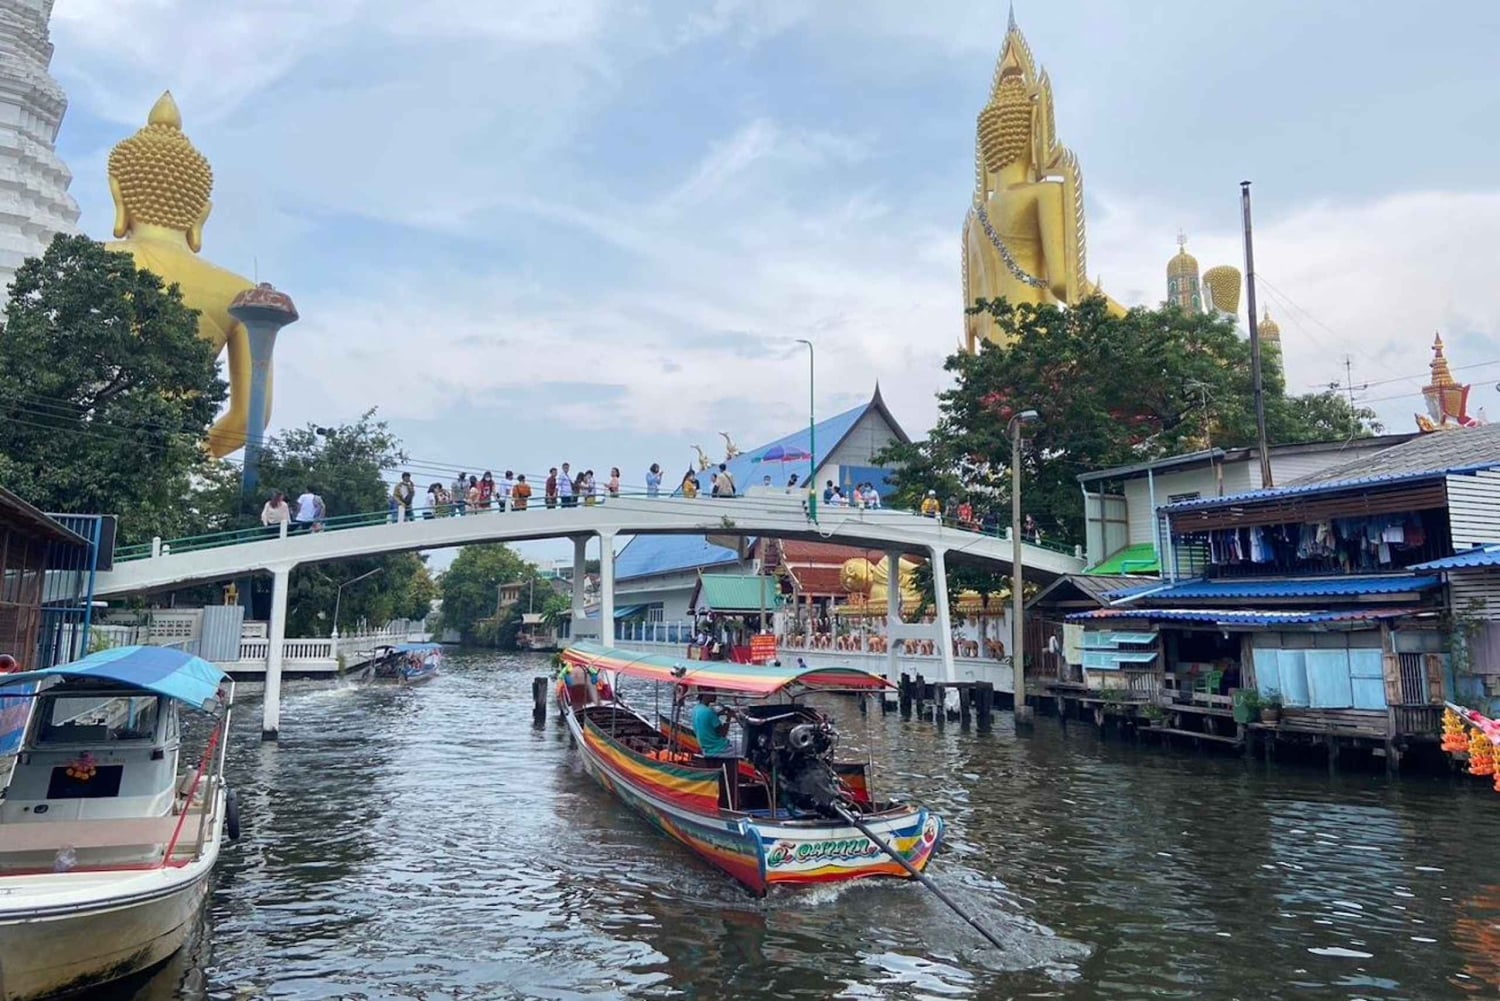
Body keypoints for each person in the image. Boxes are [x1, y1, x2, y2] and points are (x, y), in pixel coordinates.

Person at [692, 690, 740, 808]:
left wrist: (720, 714)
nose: (715, 695)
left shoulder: (697, 709)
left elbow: (708, 721)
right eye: (712, 693)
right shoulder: (709, 712)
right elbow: (723, 733)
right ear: (705, 694)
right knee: (745, 747)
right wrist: (728, 718)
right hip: (719, 748)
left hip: (706, 748)